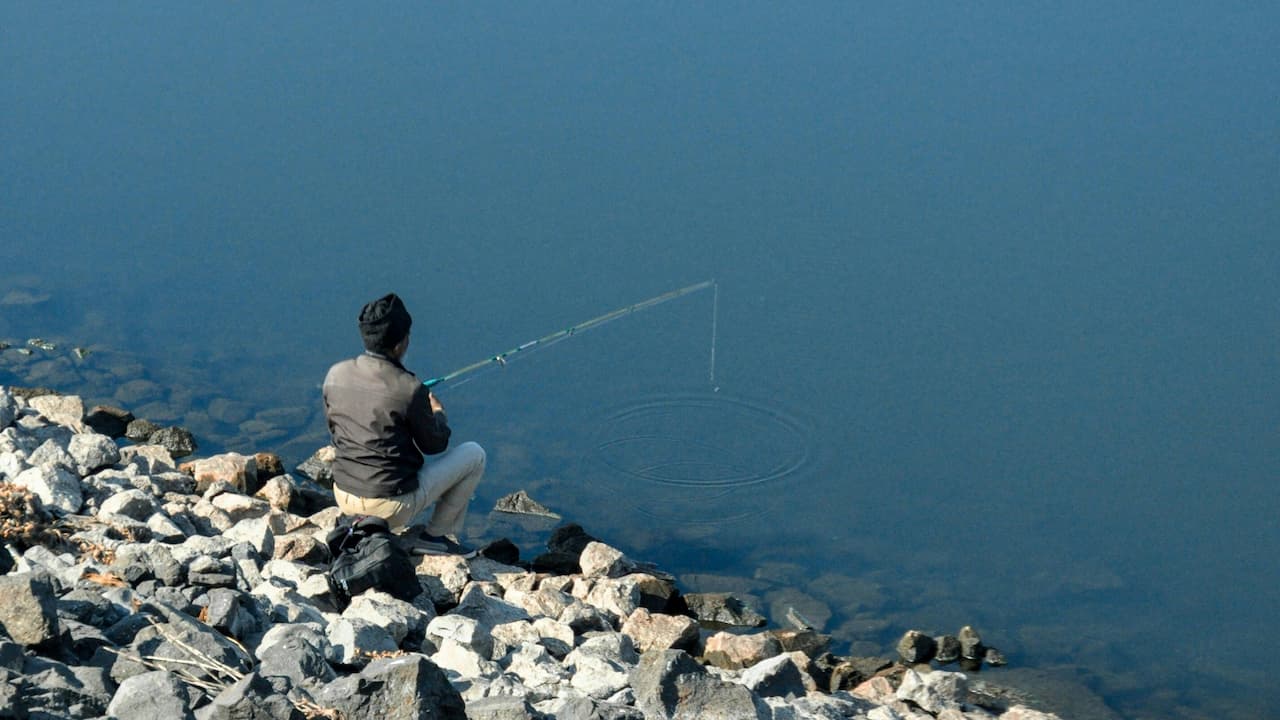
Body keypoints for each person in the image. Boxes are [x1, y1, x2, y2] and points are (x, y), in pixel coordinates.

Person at [322, 292, 486, 556]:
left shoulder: (335, 374)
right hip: (388, 508)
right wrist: (438, 413)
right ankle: (435, 536)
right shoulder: (409, 389)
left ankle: (360, 521)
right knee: (474, 455)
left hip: (344, 494)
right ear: (400, 344)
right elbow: (435, 445)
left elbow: (334, 430)